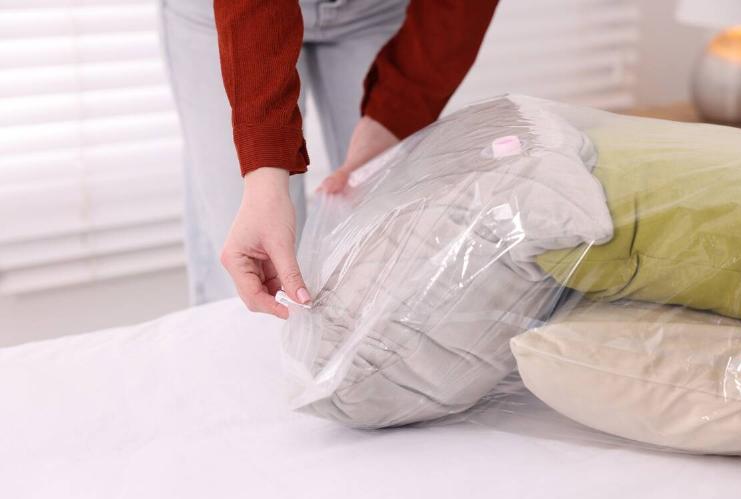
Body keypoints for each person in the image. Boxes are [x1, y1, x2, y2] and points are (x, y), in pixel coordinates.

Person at [160, 0, 498, 317]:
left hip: (376, 9)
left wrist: (394, 116)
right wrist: (263, 169)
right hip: (233, 13)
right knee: (250, 270)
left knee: (392, 257)